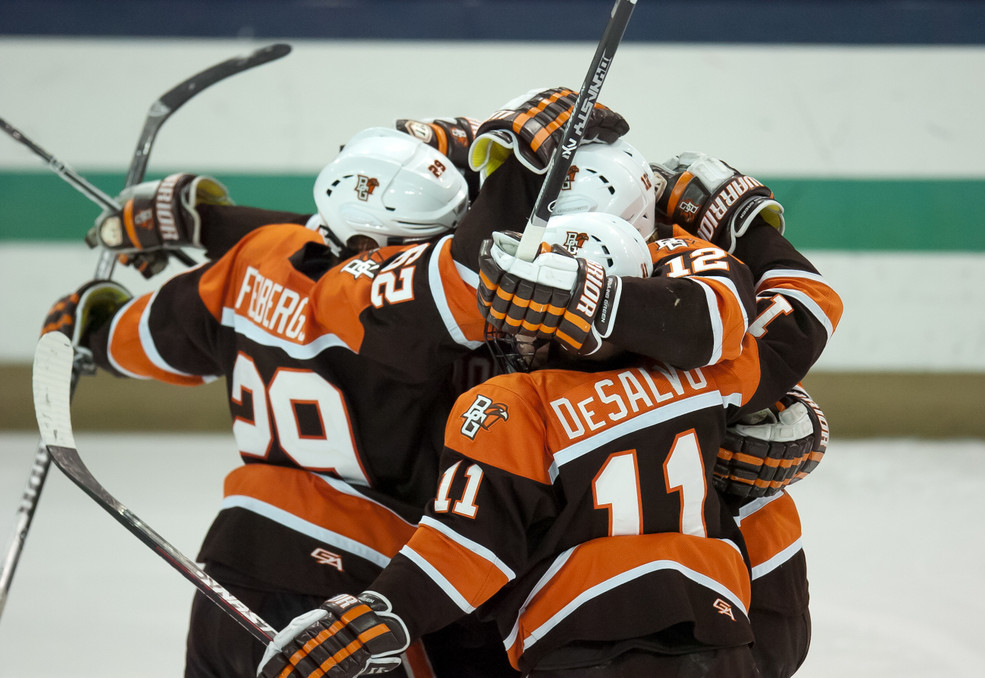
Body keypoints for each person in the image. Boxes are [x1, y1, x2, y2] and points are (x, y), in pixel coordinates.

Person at [43, 89, 634, 677]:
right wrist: (518, 161)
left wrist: (86, 321)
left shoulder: (255, 256)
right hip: (353, 592)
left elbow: (137, 340)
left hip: (231, 570)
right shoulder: (387, 303)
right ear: (369, 246)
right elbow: (470, 269)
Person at [255, 210, 809, 678]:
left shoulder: (514, 403)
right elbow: (801, 304)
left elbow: (467, 547)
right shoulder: (713, 373)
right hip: (719, 639)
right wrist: (747, 217)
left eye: (531, 301)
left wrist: (379, 616)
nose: (515, 320)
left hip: (581, 649)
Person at [476, 146, 842, 678]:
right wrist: (749, 231)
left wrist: (774, 400)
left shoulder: (679, 257)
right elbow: (790, 323)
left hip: (691, 550)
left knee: (767, 651)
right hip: (560, 557)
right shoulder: (503, 256)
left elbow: (745, 328)